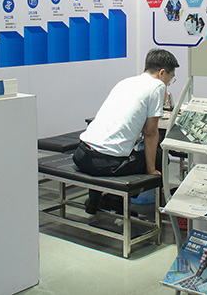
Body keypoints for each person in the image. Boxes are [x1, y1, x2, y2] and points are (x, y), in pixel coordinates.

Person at [73, 48, 179, 214]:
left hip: (81, 155)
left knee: (109, 149)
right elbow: (150, 133)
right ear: (162, 73)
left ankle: (95, 200)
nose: (169, 83)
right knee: (160, 158)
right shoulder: (157, 86)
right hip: (104, 163)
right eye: (170, 78)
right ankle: (115, 199)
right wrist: (151, 170)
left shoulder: (126, 82)